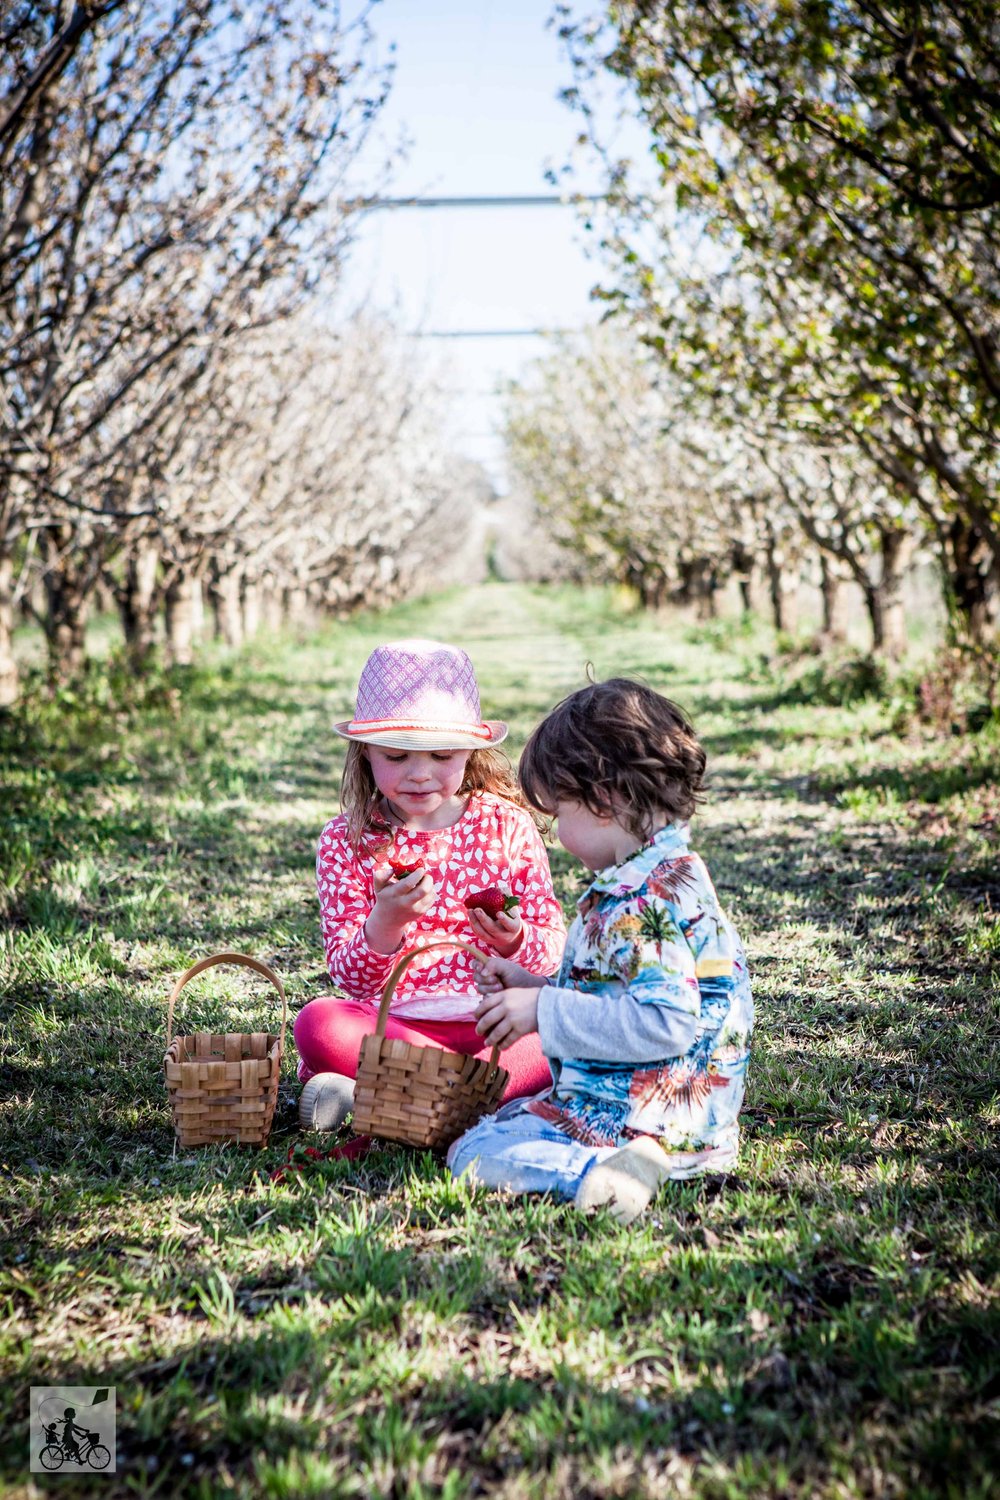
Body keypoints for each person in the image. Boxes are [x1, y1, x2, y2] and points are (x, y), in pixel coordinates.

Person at [448, 676, 754, 1224]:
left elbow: (664, 1022)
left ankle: (604, 1172)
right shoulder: (675, 875)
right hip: (695, 1124)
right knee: (510, 1112)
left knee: (472, 1151)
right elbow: (620, 992)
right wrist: (534, 987)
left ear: (604, 798)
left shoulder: (637, 903)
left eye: (560, 813)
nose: (556, 831)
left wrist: (543, 1012)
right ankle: (640, 1158)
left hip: (626, 1117)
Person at [295, 639, 567, 1130]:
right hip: (394, 1024)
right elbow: (352, 980)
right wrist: (386, 921)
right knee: (319, 1023)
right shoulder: (347, 839)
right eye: (396, 756)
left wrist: (513, 940)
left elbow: (551, 954)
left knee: (561, 1033)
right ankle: (467, 1099)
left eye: (442, 755)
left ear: (471, 752)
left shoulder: (505, 826)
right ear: (365, 754)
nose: (419, 775)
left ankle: (390, 1095)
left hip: (496, 1029)